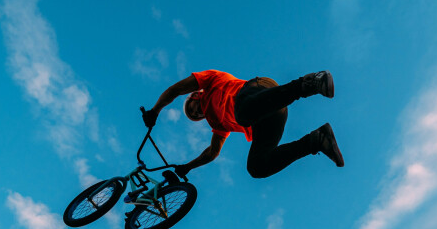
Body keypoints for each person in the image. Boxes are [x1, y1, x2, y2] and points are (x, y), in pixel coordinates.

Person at [140, 69, 344, 185]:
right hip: (269, 116)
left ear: (194, 95)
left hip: (258, 89)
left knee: (243, 114)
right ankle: (317, 140)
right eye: (194, 117)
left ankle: (308, 83)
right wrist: (187, 167)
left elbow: (175, 89)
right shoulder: (217, 123)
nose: (195, 114)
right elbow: (212, 152)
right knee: (256, 167)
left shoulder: (210, 80)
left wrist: (155, 111)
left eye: (191, 109)